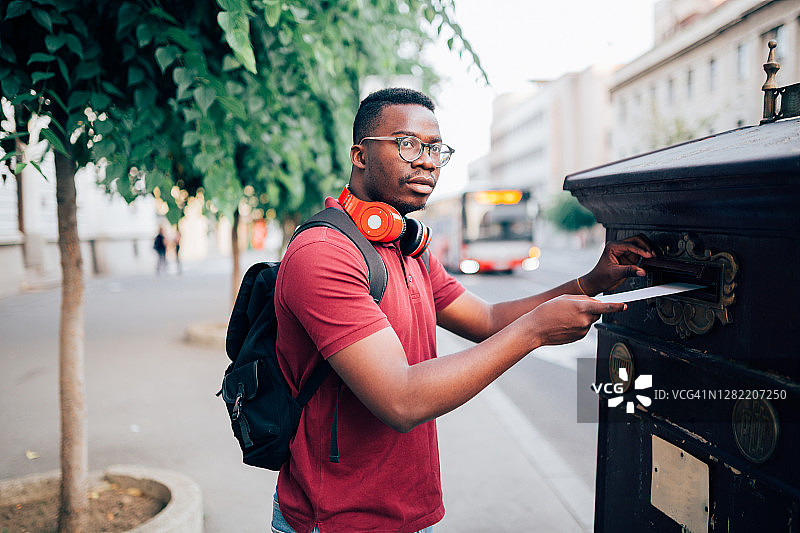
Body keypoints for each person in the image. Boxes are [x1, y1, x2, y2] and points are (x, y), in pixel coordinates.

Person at [273, 87, 653, 533]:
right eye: (408, 143)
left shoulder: (408, 247)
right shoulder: (324, 253)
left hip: (414, 513)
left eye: (436, 148)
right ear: (360, 155)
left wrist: (591, 281)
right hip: (338, 521)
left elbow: (488, 321)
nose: (427, 161)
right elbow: (400, 399)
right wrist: (535, 332)